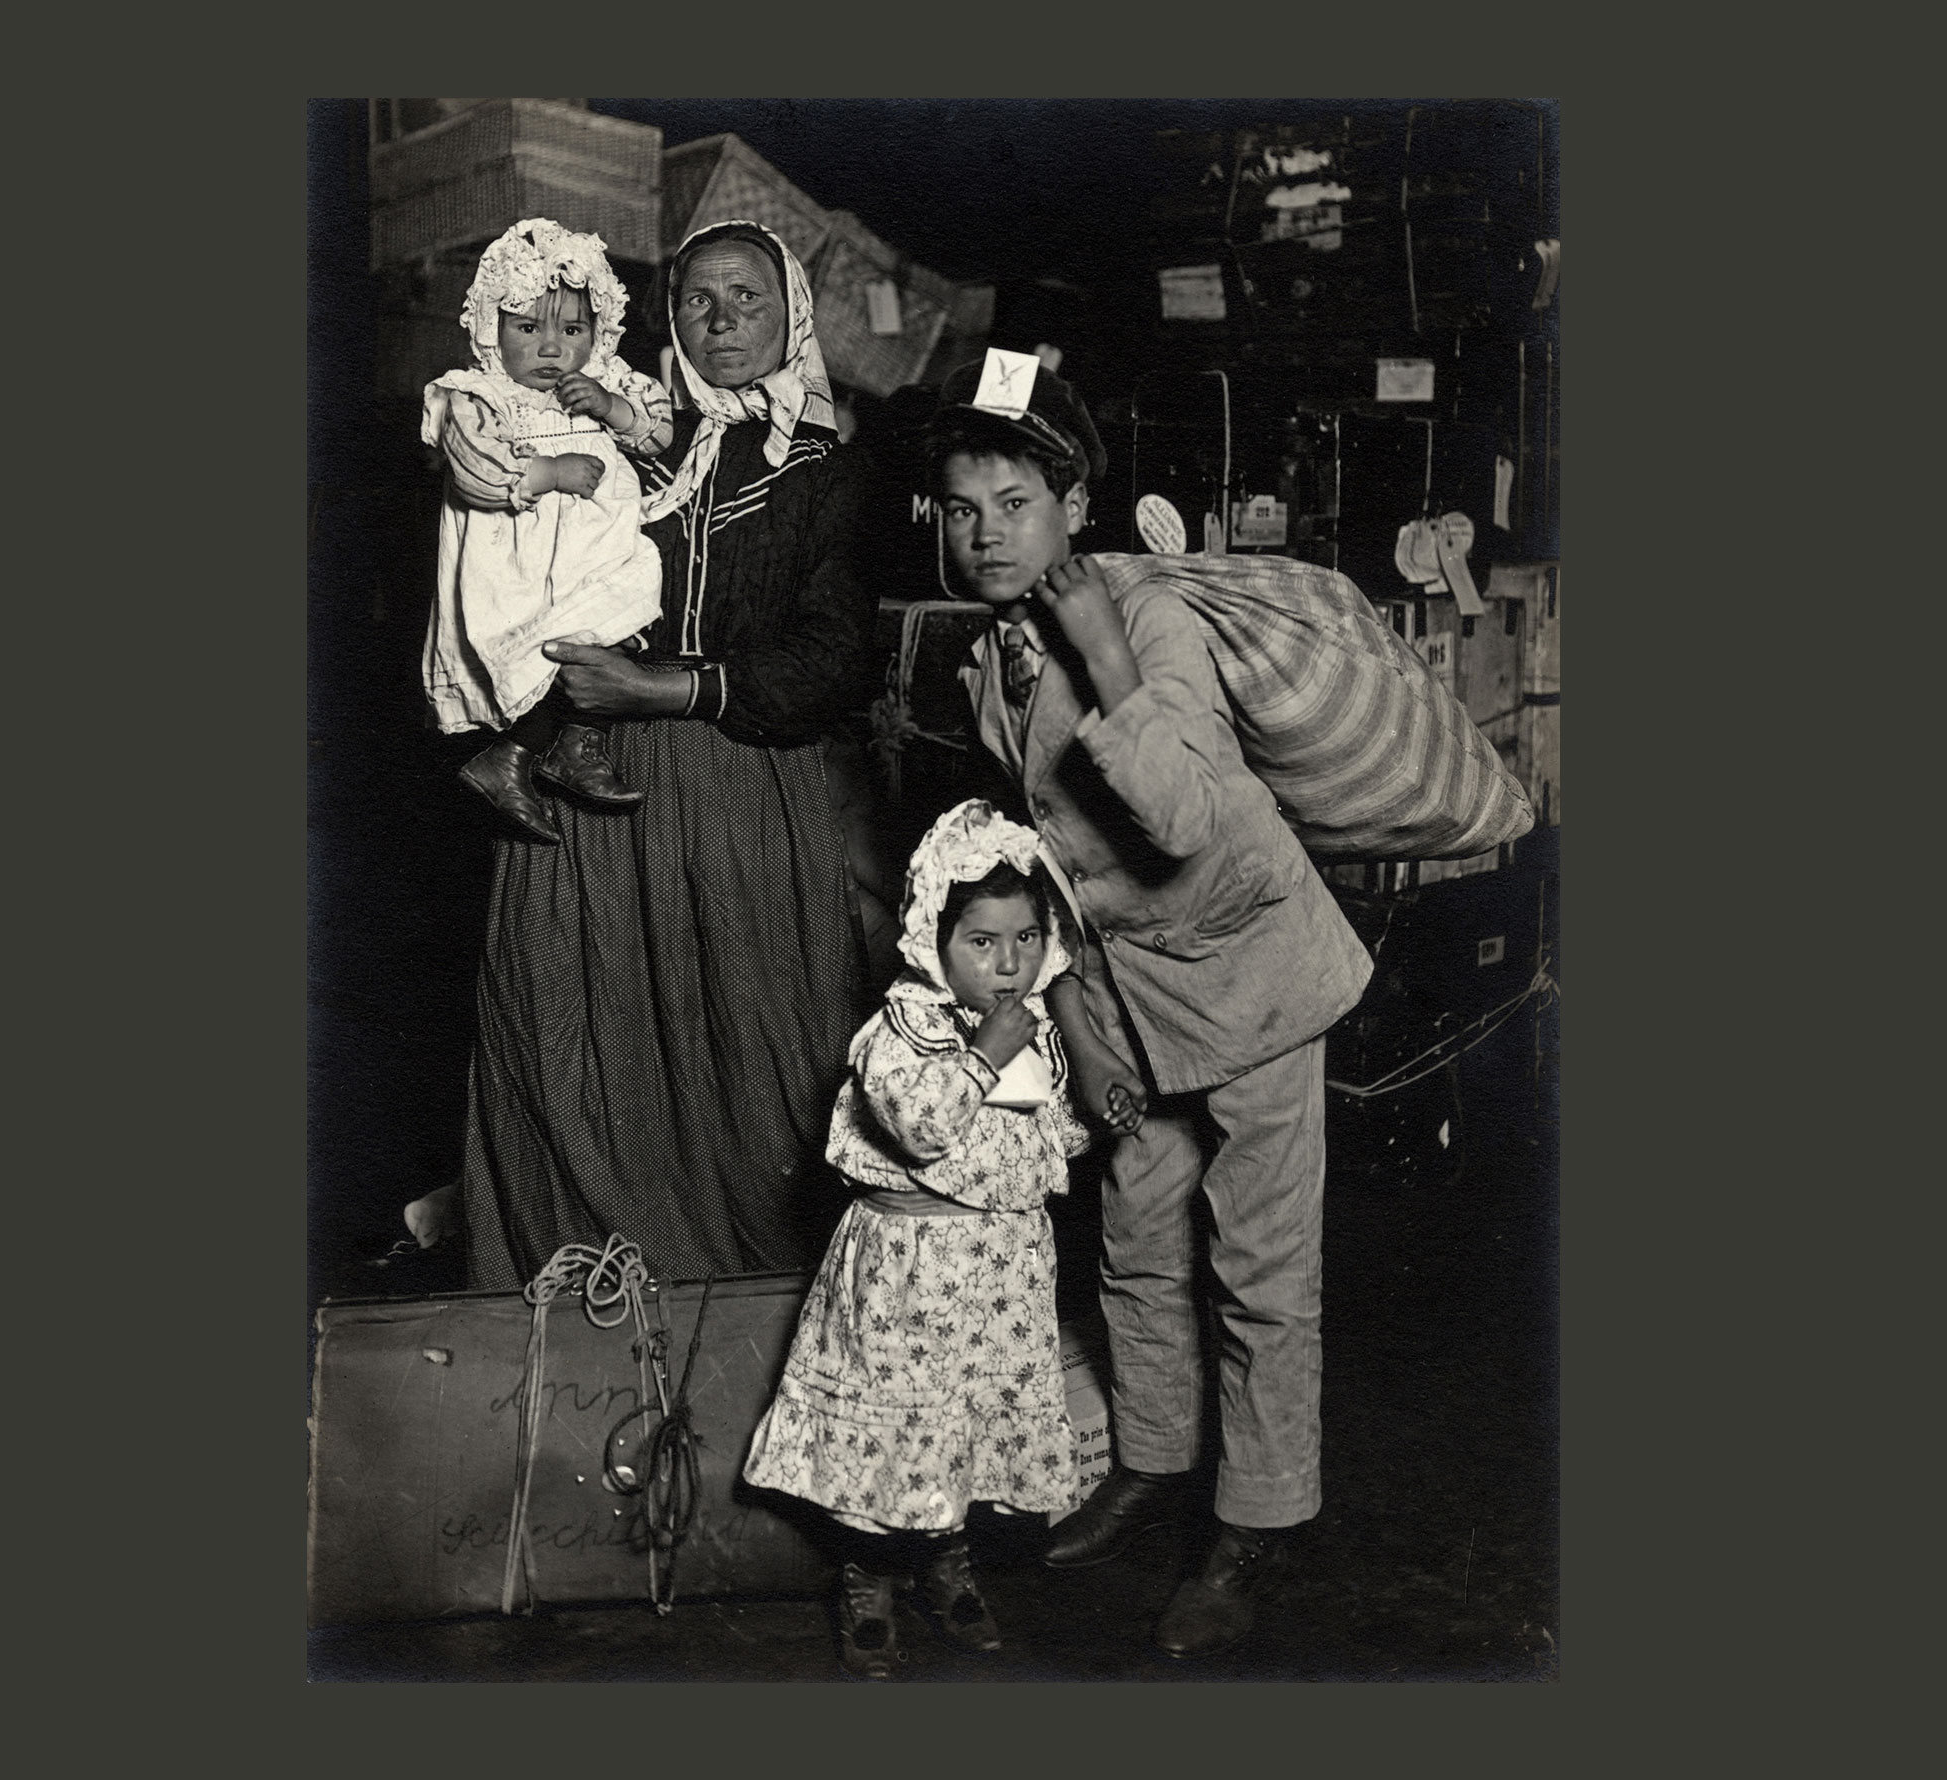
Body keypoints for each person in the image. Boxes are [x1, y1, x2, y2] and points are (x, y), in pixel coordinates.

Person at [923, 351, 1376, 1659]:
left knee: (1258, 1265)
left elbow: (1174, 814)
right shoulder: (985, 655)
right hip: (1128, 1000)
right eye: (961, 510)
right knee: (1132, 1239)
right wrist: (1071, 1026)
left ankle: (1253, 1524)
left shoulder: (1151, 614)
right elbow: (1035, 869)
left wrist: (1105, 648)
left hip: (1250, 978)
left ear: (1071, 499)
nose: (985, 533)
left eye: (1012, 501)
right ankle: (1155, 1461)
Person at [453, 219, 878, 1290]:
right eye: (697, 300)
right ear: (667, 321)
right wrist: (465, 462)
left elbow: (834, 660)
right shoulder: (618, 436)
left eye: (748, 297)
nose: (723, 319)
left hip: (739, 787)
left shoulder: (828, 471)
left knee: (753, 1060)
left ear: (794, 315)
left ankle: (755, 1336)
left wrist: (665, 684)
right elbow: (491, 464)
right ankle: (583, 1328)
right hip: (584, 794)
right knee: (572, 1040)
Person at [742, 800, 1136, 1679]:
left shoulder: (1036, 1032)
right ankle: (869, 1575)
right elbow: (921, 1126)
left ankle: (947, 1559)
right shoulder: (899, 1033)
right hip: (907, 1280)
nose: (1010, 964)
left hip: (999, 1278)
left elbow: (1040, 1145)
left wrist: (1092, 1115)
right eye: (984, 942)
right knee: (899, 1434)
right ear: (932, 939)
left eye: (1027, 939)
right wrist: (984, 1057)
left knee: (963, 1431)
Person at [422, 218, 675, 841]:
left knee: (619, 623)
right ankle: (512, 753)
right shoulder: (478, 396)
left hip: (598, 551)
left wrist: (611, 408)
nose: (550, 349)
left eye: (572, 329)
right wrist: (549, 471)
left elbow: (663, 431)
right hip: (519, 560)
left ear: (599, 332)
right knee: (545, 652)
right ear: (492, 327)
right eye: (527, 328)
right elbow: (475, 471)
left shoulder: (607, 382)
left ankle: (573, 745)